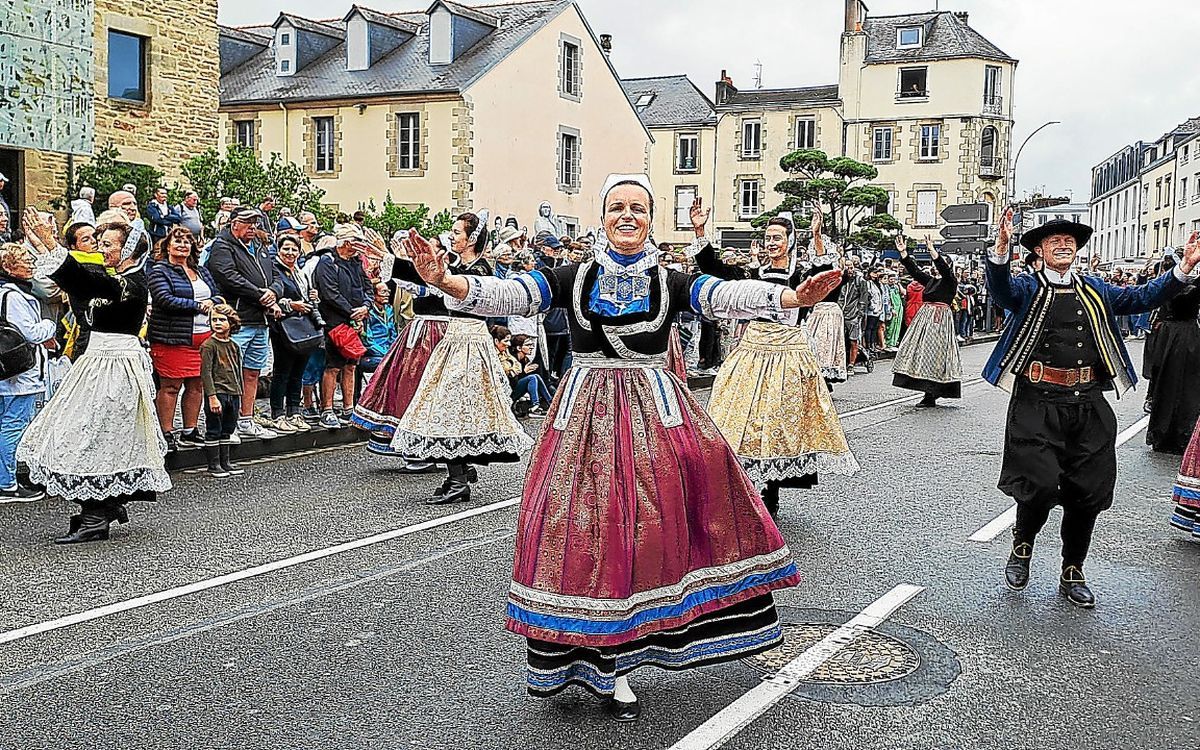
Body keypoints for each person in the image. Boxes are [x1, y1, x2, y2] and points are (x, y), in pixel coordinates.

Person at [407, 174, 840, 721]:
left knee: (653, 528)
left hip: (655, 415)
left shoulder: (670, 280)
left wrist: (788, 296)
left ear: (652, 218)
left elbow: (725, 294)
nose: (627, 216)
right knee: (580, 530)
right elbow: (513, 291)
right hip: (583, 417)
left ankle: (630, 655)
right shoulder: (573, 275)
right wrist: (446, 281)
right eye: (617, 207)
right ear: (602, 215)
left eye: (638, 207)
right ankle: (591, 657)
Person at [986, 214, 1200, 608]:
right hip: (1037, 401)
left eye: (1069, 240)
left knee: (1088, 490)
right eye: (1055, 241)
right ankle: (1023, 545)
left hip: (1087, 403)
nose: (1064, 245)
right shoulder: (1028, 288)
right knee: (1039, 484)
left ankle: (1072, 570)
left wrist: (1183, 268)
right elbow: (1000, 291)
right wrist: (1000, 250)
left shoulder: (1094, 288)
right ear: (1039, 251)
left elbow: (1141, 298)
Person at [693, 203, 857, 514]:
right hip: (752, 352)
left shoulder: (801, 274)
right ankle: (751, 485)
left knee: (780, 423)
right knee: (742, 419)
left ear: (790, 241)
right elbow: (715, 270)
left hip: (787, 356)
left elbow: (828, 276)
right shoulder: (752, 272)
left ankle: (771, 490)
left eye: (777, 237)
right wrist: (701, 230)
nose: (771, 243)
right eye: (768, 237)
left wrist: (818, 236)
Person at [18, 211, 170, 544]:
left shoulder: (133, 283)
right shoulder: (114, 277)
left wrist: (52, 242)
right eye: (100, 243)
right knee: (82, 433)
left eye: (108, 245)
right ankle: (105, 504)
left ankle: (96, 515)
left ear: (129, 250)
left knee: (97, 437)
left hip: (117, 367)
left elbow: (87, 283)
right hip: (97, 362)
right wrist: (45, 244)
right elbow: (80, 286)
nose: (102, 250)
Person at [391, 211, 533, 505]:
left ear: (471, 239)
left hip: (469, 341)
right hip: (455, 338)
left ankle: (457, 479)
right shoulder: (459, 265)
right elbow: (428, 280)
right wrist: (387, 259)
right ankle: (461, 470)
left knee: (449, 406)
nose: (452, 236)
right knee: (451, 406)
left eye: (457, 232)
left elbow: (445, 285)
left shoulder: (479, 270)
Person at [350, 233, 449, 470]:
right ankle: (415, 448)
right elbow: (407, 280)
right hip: (422, 333)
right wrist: (393, 259)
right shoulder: (424, 274)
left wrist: (393, 259)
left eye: (432, 248)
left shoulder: (446, 274)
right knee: (409, 385)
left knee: (428, 389)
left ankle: (429, 448)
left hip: (438, 333)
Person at [206, 206, 281, 440]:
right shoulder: (222, 245)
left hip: (261, 319)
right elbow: (227, 276)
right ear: (233, 223)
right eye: (247, 223)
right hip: (238, 319)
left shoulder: (260, 246)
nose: (252, 227)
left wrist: (273, 292)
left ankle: (246, 419)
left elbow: (276, 274)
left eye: (255, 223)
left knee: (252, 373)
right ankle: (229, 424)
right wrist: (259, 294)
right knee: (229, 374)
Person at [146, 227, 217, 451]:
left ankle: (190, 429)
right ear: (167, 246)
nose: (183, 245)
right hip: (172, 338)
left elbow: (216, 293)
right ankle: (166, 431)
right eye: (177, 241)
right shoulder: (159, 271)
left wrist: (213, 302)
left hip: (203, 338)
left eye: (187, 241)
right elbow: (165, 299)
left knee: (197, 385)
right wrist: (197, 306)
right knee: (170, 386)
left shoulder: (202, 271)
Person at [0, 242, 56, 503]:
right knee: (13, 425)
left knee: (6, 422)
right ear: (9, 267)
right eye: (25, 260)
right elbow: (31, 333)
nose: (31, 265)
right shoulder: (14, 296)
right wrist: (49, 325)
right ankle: (7, 484)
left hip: (8, 373)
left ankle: (5, 476)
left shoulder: (7, 293)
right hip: (19, 374)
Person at [313, 224, 372, 429]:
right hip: (335, 322)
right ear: (347, 242)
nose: (360, 246)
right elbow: (330, 294)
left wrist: (366, 306)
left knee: (351, 364)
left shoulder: (356, 262)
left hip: (355, 321)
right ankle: (327, 409)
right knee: (333, 365)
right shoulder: (327, 262)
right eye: (357, 241)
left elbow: (368, 287)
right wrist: (352, 312)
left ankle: (349, 408)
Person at [892, 235, 962, 407]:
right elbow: (915, 271)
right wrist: (904, 254)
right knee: (921, 354)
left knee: (935, 355)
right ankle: (926, 389)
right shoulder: (931, 281)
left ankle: (931, 393)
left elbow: (944, 269)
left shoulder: (950, 281)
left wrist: (932, 251)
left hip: (939, 320)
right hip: (925, 319)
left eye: (938, 264)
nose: (935, 267)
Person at [1142, 251, 1200, 453]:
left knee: (1166, 384)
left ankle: (1164, 433)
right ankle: (1181, 433)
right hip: (1187, 335)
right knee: (1186, 386)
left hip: (1170, 335)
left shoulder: (1165, 285)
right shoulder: (1188, 286)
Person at [267, 234, 320, 433]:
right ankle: (278, 413)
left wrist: (312, 297)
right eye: (286, 248)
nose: (290, 253)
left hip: (303, 327)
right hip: (284, 326)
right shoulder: (274, 270)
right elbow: (273, 295)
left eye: (294, 249)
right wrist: (291, 304)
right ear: (278, 250)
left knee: (298, 371)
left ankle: (294, 411)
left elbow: (304, 295)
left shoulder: (300, 272)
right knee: (282, 371)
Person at [200, 304, 247, 478]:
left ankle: (225, 461)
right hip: (218, 392)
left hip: (233, 392)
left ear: (231, 322)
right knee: (214, 427)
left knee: (228, 427)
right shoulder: (208, 346)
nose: (217, 323)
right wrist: (212, 396)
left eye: (222, 320)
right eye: (214, 320)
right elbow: (206, 372)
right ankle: (213, 464)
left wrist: (239, 394)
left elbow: (237, 370)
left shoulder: (234, 345)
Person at [510, 333, 552, 415]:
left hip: (517, 389)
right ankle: (535, 405)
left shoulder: (525, 360)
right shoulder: (512, 360)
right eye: (528, 345)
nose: (532, 347)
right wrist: (524, 372)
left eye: (532, 345)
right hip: (510, 392)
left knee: (536, 376)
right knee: (532, 377)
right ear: (519, 348)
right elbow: (511, 381)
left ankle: (550, 402)